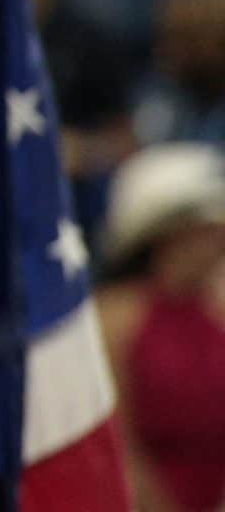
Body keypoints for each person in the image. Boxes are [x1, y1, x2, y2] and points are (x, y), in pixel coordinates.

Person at [94, 143, 225, 512]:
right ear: (164, 236)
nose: (217, 240)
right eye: (204, 229)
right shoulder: (115, 317)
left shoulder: (219, 312)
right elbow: (115, 442)